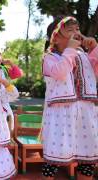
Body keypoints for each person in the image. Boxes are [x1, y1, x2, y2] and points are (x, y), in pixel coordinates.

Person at [41, 16, 98, 180]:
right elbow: (60, 72)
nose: (77, 33)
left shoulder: (84, 56)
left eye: (78, 29)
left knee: (87, 160)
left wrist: (94, 48)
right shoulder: (50, 58)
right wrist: (71, 50)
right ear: (56, 37)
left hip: (86, 114)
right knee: (53, 159)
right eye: (70, 30)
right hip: (61, 116)